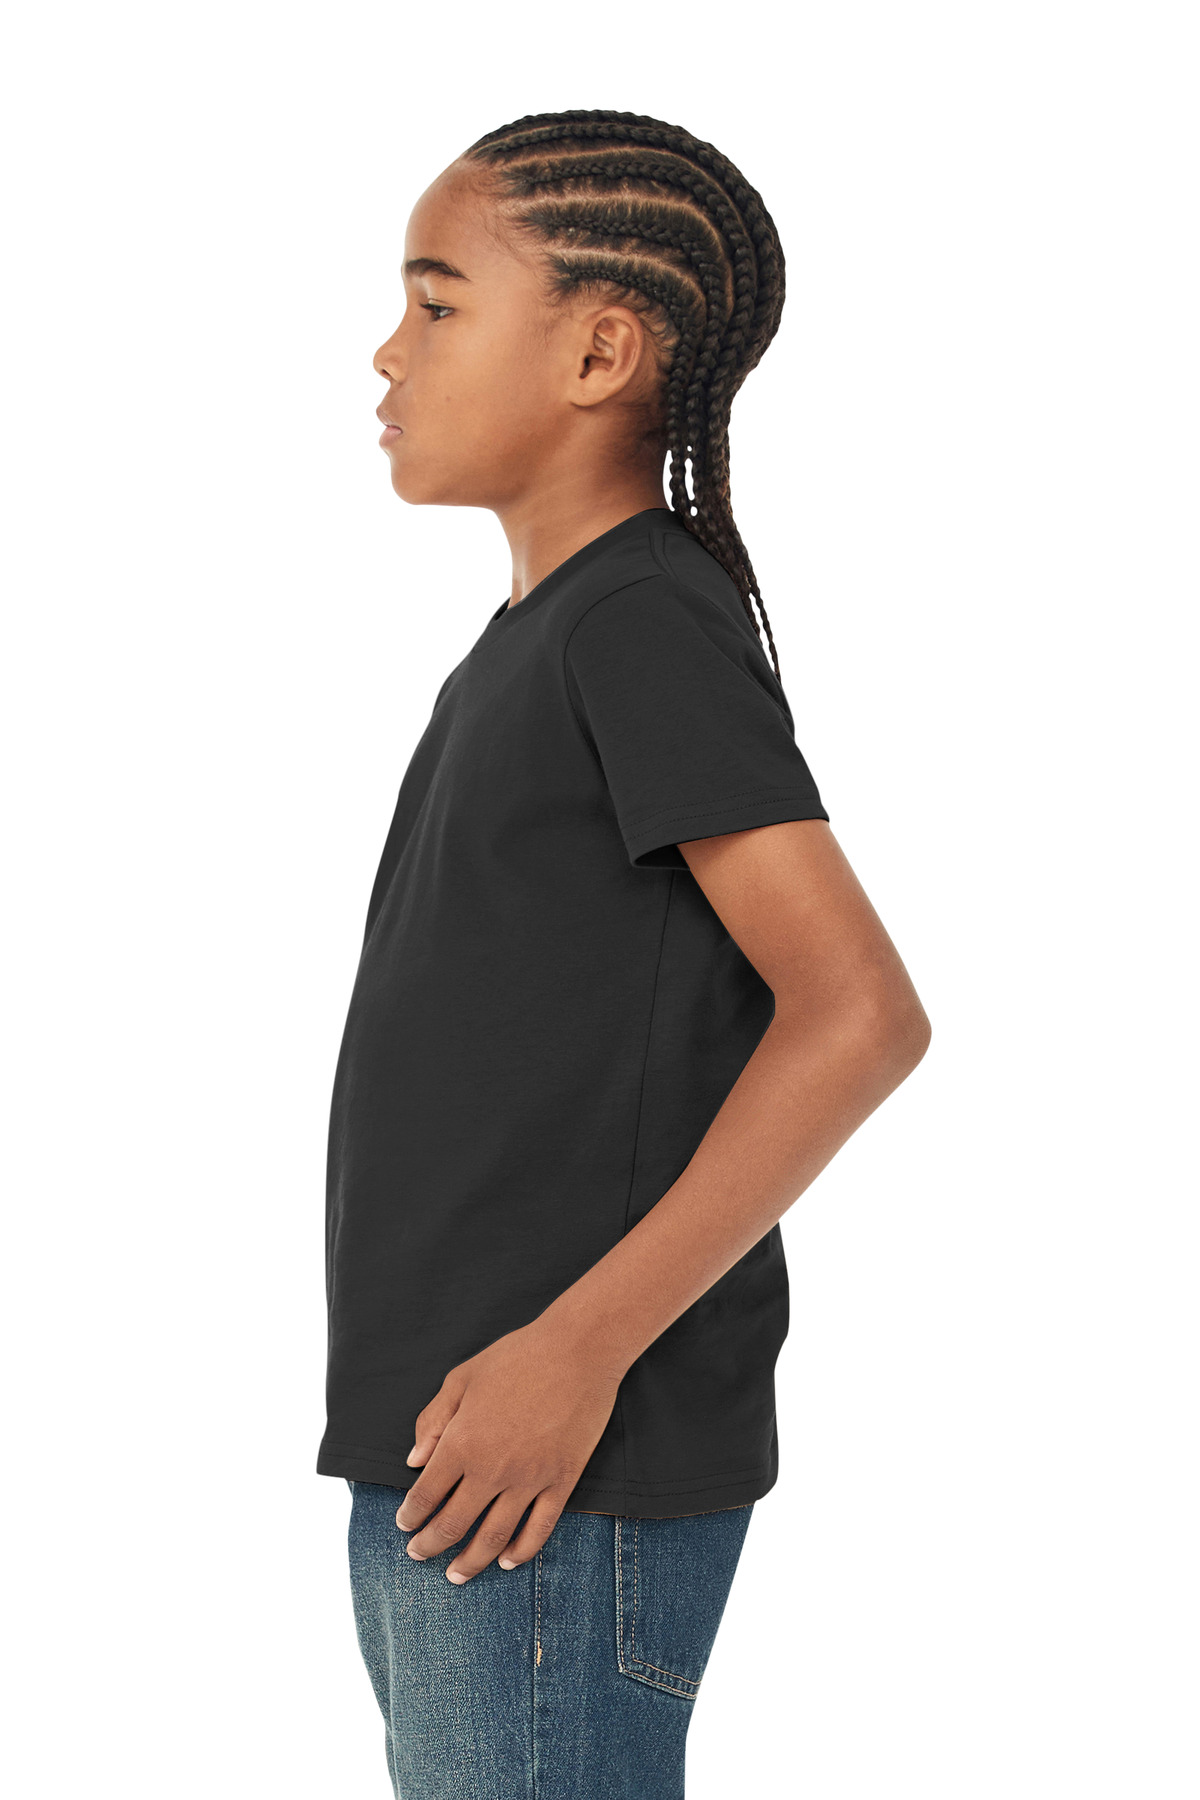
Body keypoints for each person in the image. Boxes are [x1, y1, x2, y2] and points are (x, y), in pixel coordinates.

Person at [318, 108, 931, 1800]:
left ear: (600, 351)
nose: (387, 349)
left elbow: (861, 1013)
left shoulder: (637, 621)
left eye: (437, 302)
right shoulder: (541, 639)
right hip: (471, 1452)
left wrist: (578, 1350)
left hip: (552, 1466)